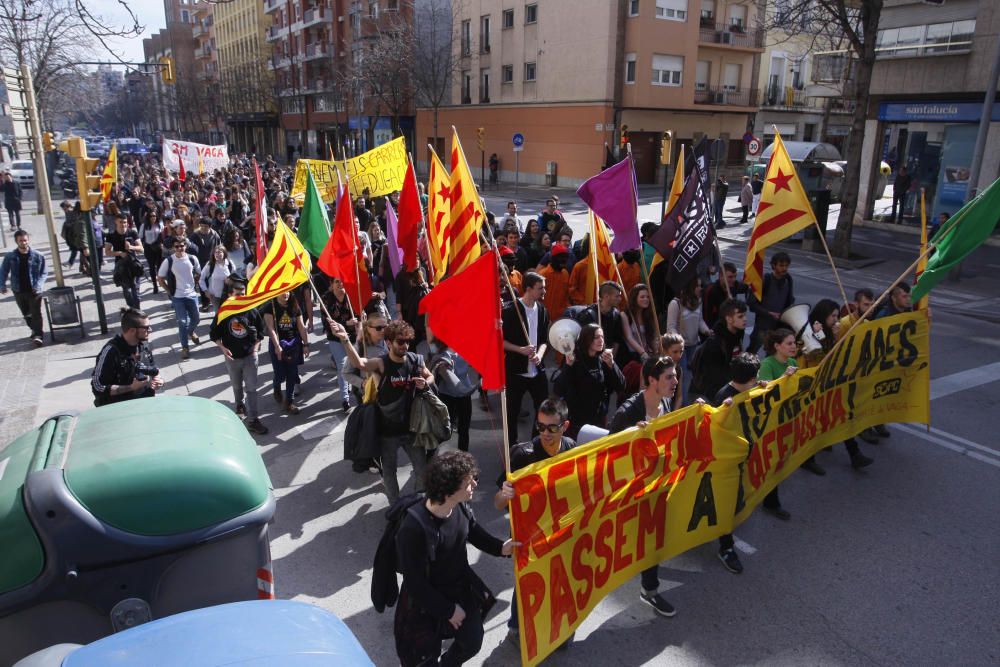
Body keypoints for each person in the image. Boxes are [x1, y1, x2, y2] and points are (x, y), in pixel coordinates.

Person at [394, 450, 516, 667]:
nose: (475, 486)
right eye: (469, 483)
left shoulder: (459, 506)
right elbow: (415, 583)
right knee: (423, 661)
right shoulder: (413, 529)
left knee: (472, 642)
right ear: (449, 490)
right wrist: (448, 610)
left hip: (460, 588)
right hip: (424, 604)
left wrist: (501, 548)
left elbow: (474, 531)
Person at [494, 399, 577, 644]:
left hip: (560, 530)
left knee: (558, 578)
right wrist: (504, 495)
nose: (545, 434)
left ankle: (558, 627)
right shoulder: (522, 455)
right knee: (528, 582)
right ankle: (516, 627)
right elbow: (498, 503)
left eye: (552, 428)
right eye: (540, 427)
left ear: (565, 426)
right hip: (528, 536)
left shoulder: (572, 448)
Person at [609, 356, 680, 619]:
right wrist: (630, 439)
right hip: (629, 493)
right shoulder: (627, 413)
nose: (675, 381)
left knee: (653, 539)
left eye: (675, 376)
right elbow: (608, 455)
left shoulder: (665, 402)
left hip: (655, 488)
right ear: (652, 380)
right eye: (669, 377)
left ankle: (649, 590)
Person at [334, 319, 434, 503]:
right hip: (387, 432)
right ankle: (395, 507)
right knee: (389, 472)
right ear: (389, 343)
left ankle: (419, 501)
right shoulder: (381, 363)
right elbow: (359, 364)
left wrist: (425, 383)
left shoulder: (415, 359)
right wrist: (345, 340)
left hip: (412, 429)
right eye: (400, 342)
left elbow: (430, 376)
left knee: (421, 468)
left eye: (408, 341)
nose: (405, 345)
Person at [801, 298, 873, 470]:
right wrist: (820, 335)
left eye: (836, 315)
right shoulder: (809, 332)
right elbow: (813, 356)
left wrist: (833, 335)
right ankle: (807, 459)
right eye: (833, 316)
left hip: (826, 382)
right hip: (811, 384)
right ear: (823, 316)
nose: (836, 319)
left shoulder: (830, 331)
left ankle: (854, 454)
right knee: (811, 422)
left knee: (840, 415)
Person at [711, 352, 761, 574]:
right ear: (750, 380)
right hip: (725, 466)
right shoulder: (725, 399)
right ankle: (726, 548)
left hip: (740, 460)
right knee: (725, 505)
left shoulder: (747, 391)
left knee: (732, 502)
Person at [210, 279, 268, 435]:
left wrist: (255, 350)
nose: (241, 297)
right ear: (230, 295)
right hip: (232, 358)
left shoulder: (252, 311)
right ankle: (239, 406)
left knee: (252, 389)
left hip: (250, 357)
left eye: (243, 294)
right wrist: (223, 348)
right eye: (237, 295)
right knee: (236, 386)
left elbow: (260, 334)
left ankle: (253, 419)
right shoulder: (224, 312)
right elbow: (214, 334)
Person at [502, 271, 550, 448]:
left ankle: (536, 444)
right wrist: (520, 350)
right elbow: (500, 341)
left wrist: (540, 355)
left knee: (542, 409)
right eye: (541, 288)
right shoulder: (510, 310)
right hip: (516, 371)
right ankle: (512, 448)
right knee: (512, 412)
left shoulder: (543, 311)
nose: (544, 292)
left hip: (537, 371)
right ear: (528, 289)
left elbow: (545, 341)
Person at [756, 328, 800, 517]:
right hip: (770, 423)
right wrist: (784, 378)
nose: (794, 346)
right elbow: (764, 395)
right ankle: (770, 502)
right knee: (770, 461)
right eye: (789, 343)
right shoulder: (767, 364)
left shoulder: (792, 362)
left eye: (794, 343)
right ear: (777, 346)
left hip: (786, 419)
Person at [555, 322, 625, 438]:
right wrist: (568, 366)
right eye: (596, 337)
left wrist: (612, 365)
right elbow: (558, 389)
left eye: (602, 337)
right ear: (587, 339)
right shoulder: (574, 358)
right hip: (577, 421)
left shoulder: (604, 359)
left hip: (599, 419)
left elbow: (621, 386)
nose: (600, 340)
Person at [422, 325, 479, 452]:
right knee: (443, 432)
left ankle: (464, 460)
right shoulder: (442, 358)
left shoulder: (464, 348)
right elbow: (460, 389)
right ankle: (429, 456)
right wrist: (480, 384)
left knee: (464, 430)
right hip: (447, 398)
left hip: (464, 398)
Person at [91, 307, 163, 406]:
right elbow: (97, 387)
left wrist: (158, 380)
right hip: (120, 408)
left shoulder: (143, 345)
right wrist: (131, 387)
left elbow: (152, 369)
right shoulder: (111, 351)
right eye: (146, 328)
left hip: (144, 403)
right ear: (132, 330)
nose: (150, 330)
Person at [690, 298, 747, 401]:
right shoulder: (715, 344)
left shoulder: (738, 333)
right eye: (740, 316)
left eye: (745, 315)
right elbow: (715, 378)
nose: (745, 319)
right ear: (729, 319)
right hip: (711, 395)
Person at [264, 290, 311, 415]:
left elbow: (301, 326)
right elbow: (271, 329)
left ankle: (289, 402)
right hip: (277, 345)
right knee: (280, 374)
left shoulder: (295, 306)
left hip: (293, 345)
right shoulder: (270, 307)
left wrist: (306, 344)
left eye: (288, 291)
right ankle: (276, 387)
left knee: (292, 373)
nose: (286, 294)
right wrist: (277, 346)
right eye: (282, 292)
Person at [666, 278, 712, 401]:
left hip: (694, 345)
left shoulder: (699, 301)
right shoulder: (675, 304)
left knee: (690, 375)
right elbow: (671, 327)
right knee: (685, 374)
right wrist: (678, 341)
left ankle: (683, 397)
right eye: (697, 286)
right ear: (690, 287)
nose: (700, 288)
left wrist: (707, 330)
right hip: (681, 348)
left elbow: (700, 321)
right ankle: (684, 404)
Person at [157, 236, 202, 360]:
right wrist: (169, 291)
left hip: (192, 294)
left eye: (182, 246)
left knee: (196, 319)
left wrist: (196, 282)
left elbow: (199, 272)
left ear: (186, 246)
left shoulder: (192, 259)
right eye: (177, 246)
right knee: (182, 322)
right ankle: (185, 347)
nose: (180, 248)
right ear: (173, 247)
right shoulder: (169, 261)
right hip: (177, 296)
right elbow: (160, 278)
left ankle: (190, 332)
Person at [0, 230, 47, 346]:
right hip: (18, 289)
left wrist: (38, 285)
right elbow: (3, 271)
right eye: (21, 241)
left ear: (28, 240)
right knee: (26, 313)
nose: (23, 242)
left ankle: (38, 335)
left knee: (36, 313)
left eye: (25, 240)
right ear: (16, 241)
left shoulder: (38, 256)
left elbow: (43, 273)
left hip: (34, 290)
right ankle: (34, 329)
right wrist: (2, 285)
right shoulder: (10, 257)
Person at [321, 276, 359, 412]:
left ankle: (355, 388)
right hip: (336, 338)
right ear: (331, 284)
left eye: (342, 281)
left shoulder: (351, 295)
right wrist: (346, 323)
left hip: (353, 336)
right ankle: (345, 399)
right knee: (342, 365)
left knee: (354, 364)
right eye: (337, 282)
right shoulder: (326, 299)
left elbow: (359, 314)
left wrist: (359, 320)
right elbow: (328, 323)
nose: (340, 284)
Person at [747, 251, 794, 353]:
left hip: (778, 327)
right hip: (763, 326)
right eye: (781, 265)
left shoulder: (788, 280)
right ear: (773, 265)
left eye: (786, 265)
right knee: (752, 351)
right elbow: (751, 304)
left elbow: (789, 301)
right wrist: (768, 313)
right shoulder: (765, 280)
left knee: (774, 354)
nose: (784, 268)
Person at [577, 280, 626, 357]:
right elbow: (583, 341)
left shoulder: (616, 314)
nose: (620, 299)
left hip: (608, 357)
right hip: (590, 357)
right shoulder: (588, 315)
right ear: (606, 296)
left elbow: (617, 339)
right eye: (617, 296)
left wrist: (611, 358)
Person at [106, 213, 144, 309]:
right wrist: (120, 253)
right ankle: (132, 308)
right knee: (127, 291)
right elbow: (107, 252)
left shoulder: (132, 233)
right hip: (121, 267)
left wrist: (131, 247)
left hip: (134, 265)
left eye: (125, 222)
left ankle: (137, 311)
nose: (123, 224)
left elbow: (141, 249)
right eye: (121, 222)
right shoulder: (111, 235)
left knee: (136, 291)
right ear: (116, 222)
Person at [702, 262, 747, 328]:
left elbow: (746, 286)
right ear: (721, 276)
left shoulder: (734, 285)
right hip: (716, 331)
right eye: (730, 277)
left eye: (735, 276)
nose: (733, 280)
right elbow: (707, 317)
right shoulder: (711, 291)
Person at [537, 245, 570, 322]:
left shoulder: (565, 274)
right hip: (544, 318)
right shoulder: (543, 274)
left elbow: (567, 295)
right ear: (553, 258)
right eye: (560, 257)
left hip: (560, 318)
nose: (563, 260)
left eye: (565, 258)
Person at [200, 245, 235, 311]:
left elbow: (235, 278)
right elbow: (201, 279)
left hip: (228, 295)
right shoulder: (210, 264)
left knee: (229, 314)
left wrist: (230, 281)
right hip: (215, 296)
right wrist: (206, 291)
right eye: (216, 252)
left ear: (224, 253)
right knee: (218, 315)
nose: (217, 254)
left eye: (219, 252)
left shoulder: (230, 264)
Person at [138, 210, 165, 294]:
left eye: (154, 216)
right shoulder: (144, 226)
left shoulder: (159, 224)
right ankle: (154, 285)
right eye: (151, 216)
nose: (153, 218)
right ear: (148, 217)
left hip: (158, 248)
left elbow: (163, 235)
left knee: (160, 266)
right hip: (148, 248)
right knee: (152, 267)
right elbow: (140, 237)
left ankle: (160, 280)